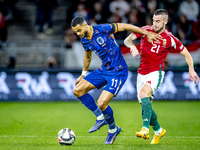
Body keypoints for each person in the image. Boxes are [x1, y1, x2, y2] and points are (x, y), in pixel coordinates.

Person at [71, 16, 162, 144]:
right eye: (76, 32)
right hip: (104, 70)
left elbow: (125, 26)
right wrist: (83, 74)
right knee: (77, 90)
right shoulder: (84, 40)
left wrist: (146, 33)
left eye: (79, 30)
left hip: (118, 71)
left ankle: (112, 130)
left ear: (85, 25)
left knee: (102, 102)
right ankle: (101, 118)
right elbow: (88, 55)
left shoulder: (103, 29)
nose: (78, 34)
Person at [124, 9, 200, 144]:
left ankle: (145, 129)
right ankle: (159, 131)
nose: (154, 24)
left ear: (165, 22)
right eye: (153, 20)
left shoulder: (169, 38)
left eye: (158, 21)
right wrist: (132, 46)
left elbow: (187, 54)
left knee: (143, 93)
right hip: (141, 72)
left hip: (156, 72)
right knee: (145, 105)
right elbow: (127, 40)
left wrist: (191, 69)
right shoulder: (145, 30)